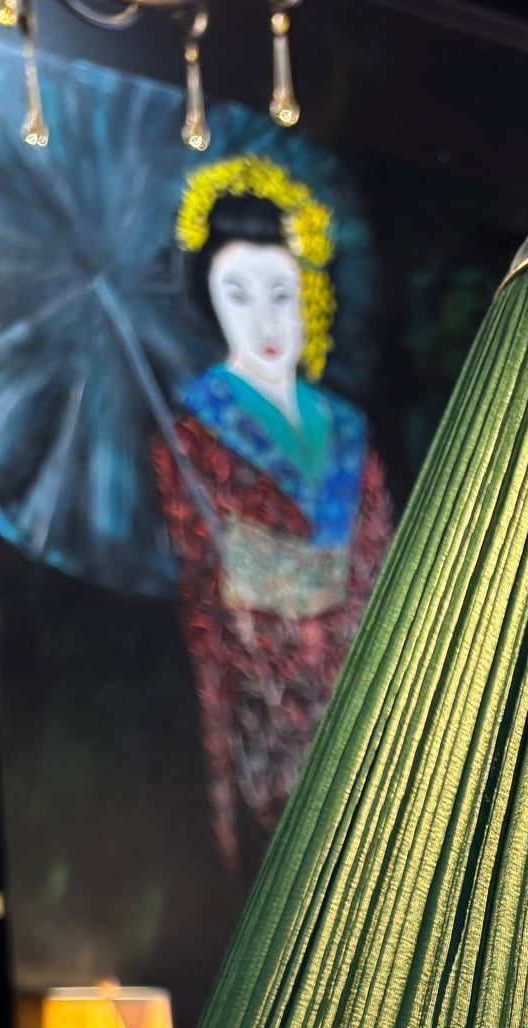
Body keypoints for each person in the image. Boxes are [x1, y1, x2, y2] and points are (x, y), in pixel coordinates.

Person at [157, 156, 393, 873]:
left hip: (359, 699)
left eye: (281, 293)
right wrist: (302, 580)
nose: (264, 319)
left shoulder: (346, 427)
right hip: (259, 697)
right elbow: (206, 574)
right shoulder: (193, 431)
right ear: (209, 301)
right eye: (238, 294)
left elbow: (381, 560)